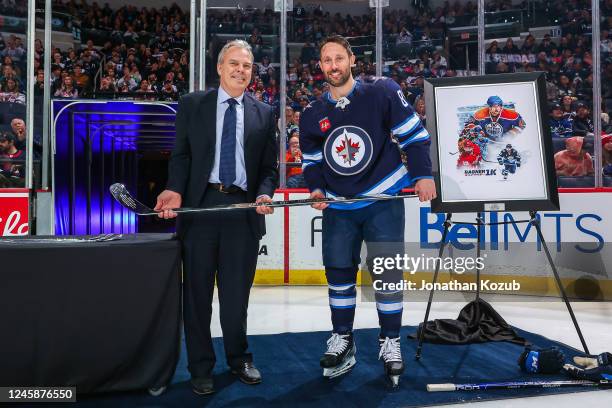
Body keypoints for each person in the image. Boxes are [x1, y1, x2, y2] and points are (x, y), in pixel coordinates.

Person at [299, 35, 436, 387]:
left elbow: (414, 137)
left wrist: (422, 175)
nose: (333, 65)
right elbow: (312, 162)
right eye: (326, 60)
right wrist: (315, 188)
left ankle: (389, 340)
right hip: (340, 206)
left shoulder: (382, 92)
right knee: (339, 273)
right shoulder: (313, 113)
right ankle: (342, 338)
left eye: (339, 58)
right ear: (320, 66)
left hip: (383, 199)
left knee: (387, 275)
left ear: (351, 61)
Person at [154, 40, 278, 395]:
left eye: (248, 66)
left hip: (242, 211)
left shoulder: (264, 112)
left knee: (236, 297)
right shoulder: (193, 104)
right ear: (220, 68)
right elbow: (181, 155)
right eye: (235, 64)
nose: (242, 70)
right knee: (196, 295)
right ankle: (201, 367)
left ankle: (239, 359)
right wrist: (175, 188)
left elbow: (268, 167)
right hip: (201, 208)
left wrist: (264, 192)